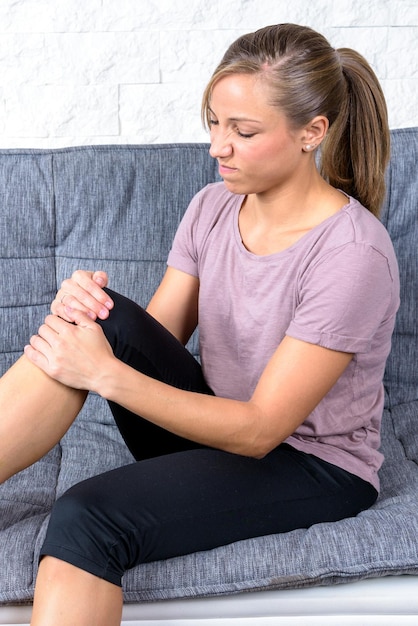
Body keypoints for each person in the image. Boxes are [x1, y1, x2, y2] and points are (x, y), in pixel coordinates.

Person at [0, 23, 399, 626]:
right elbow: (149, 339)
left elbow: (262, 430)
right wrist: (88, 317)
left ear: (311, 133)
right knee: (98, 317)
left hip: (305, 463)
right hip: (215, 422)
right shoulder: (212, 206)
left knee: (89, 515)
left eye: (242, 131)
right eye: (213, 122)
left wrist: (104, 374)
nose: (218, 146)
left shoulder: (352, 255)